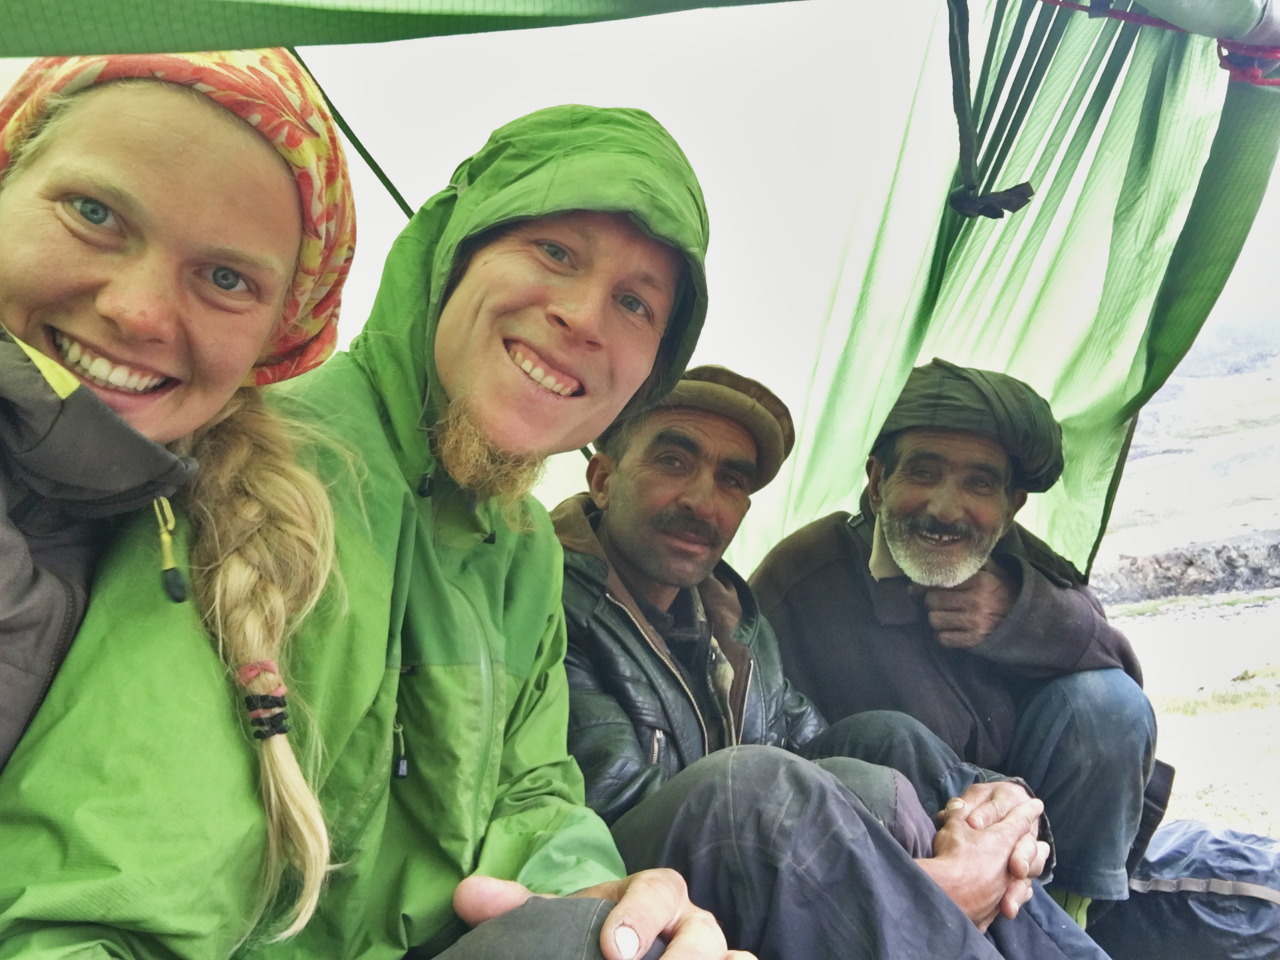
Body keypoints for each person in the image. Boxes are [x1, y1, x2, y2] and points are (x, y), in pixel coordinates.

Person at [0, 89, 744, 960]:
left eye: (637, 304)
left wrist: (604, 898)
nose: (583, 316)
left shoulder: (526, 546)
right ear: (451, 260)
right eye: (553, 250)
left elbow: (532, 788)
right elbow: (97, 909)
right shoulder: (276, 474)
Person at [552, 364, 1112, 960]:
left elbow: (818, 751)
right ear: (604, 478)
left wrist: (994, 806)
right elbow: (625, 813)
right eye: (673, 462)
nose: (701, 501)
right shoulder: (555, 604)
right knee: (755, 784)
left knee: (888, 738)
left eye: (732, 479)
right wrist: (912, 892)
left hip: (758, 862)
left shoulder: (730, 618)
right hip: (640, 889)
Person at [0, 48, 355, 942]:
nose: (142, 312)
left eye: (227, 278)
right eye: (94, 213)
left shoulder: (215, 535)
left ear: (277, 337)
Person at [751, 357, 1159, 927]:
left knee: (1108, 704)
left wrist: (1015, 616)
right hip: (899, 851)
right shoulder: (802, 576)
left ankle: (1070, 920)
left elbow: (1119, 671)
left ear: (1011, 506)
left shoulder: (1019, 561)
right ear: (876, 481)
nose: (946, 508)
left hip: (1039, 837)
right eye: (922, 473)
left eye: (979, 484)